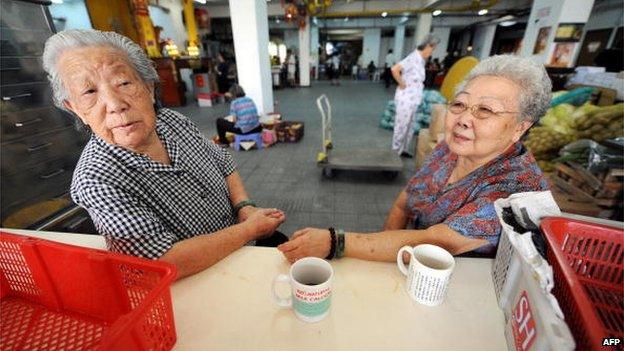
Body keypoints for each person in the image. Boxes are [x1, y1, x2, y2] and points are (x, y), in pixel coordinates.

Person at [42, 29, 286, 279]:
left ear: (148, 87)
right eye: (89, 92)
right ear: (74, 109)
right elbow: (158, 262)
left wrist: (244, 207)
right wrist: (248, 230)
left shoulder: (172, 121)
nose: (115, 104)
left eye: (123, 83)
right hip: (197, 284)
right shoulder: (95, 180)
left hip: (245, 256)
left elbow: (222, 162)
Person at [278, 54, 551, 263]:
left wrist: (335, 242)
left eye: (486, 110)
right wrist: (379, 254)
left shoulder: (515, 189)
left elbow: (436, 243)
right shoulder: (449, 149)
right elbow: (403, 204)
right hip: (412, 268)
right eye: (459, 104)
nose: (463, 120)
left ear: (520, 127)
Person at [390, 34, 440, 158]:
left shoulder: (420, 60)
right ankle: (394, 154)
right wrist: (402, 84)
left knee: (409, 127)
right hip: (406, 100)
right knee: (401, 127)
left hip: (413, 100)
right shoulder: (413, 58)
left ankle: (404, 149)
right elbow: (394, 69)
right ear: (428, 46)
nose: (432, 52)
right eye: (432, 49)